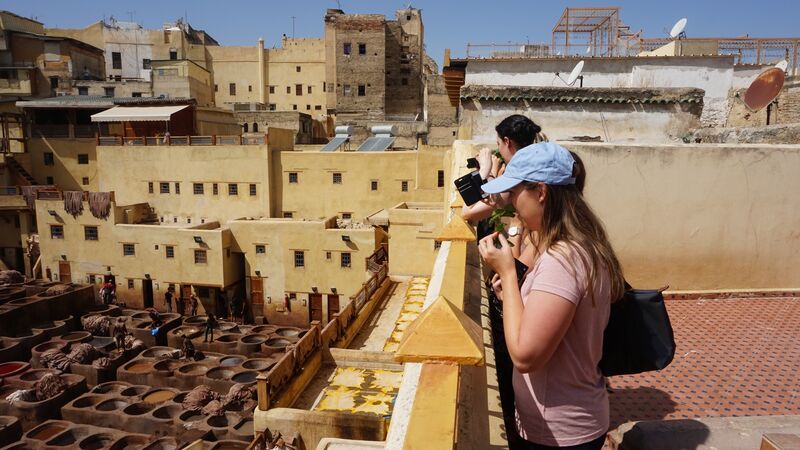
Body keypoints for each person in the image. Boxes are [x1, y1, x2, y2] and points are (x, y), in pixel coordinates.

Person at [478, 142, 625, 450]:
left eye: (516, 193)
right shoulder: (581, 245)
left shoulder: (563, 259)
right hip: (570, 421)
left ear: (541, 192)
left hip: (560, 432)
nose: (513, 204)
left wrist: (507, 272)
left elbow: (526, 355)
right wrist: (512, 297)